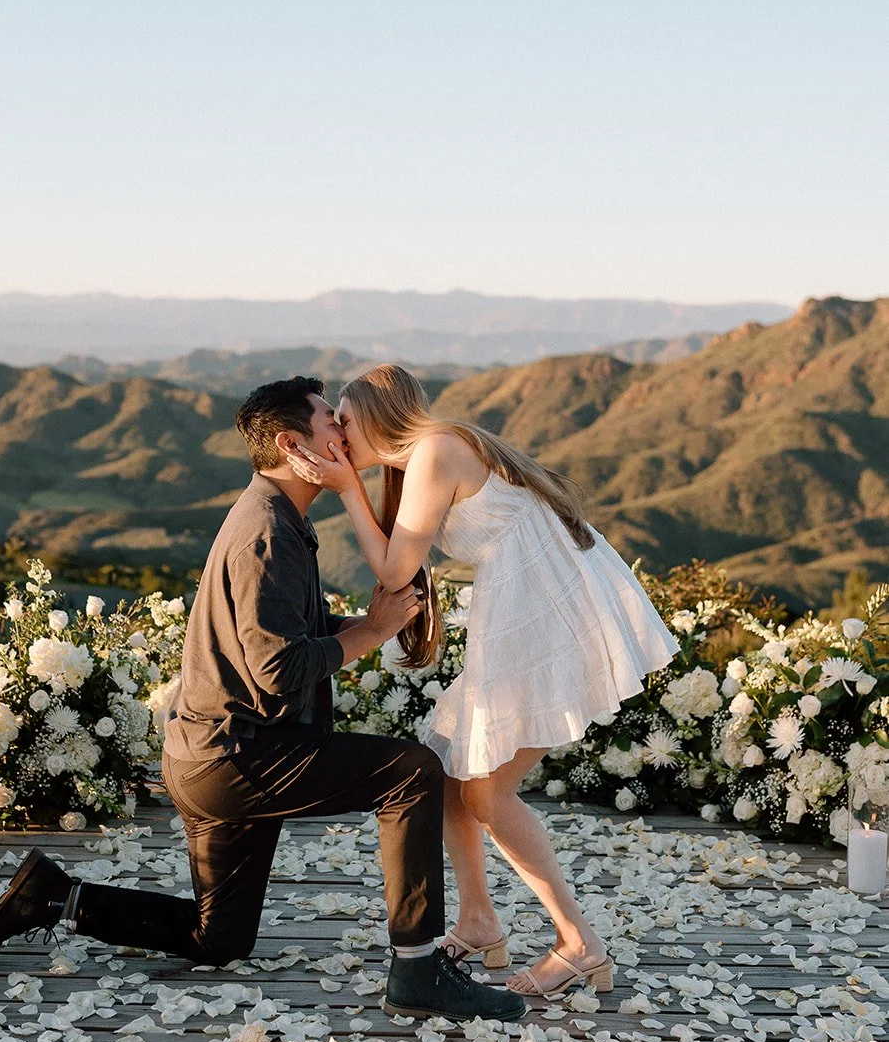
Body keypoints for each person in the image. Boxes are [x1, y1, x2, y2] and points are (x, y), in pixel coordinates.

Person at [0, 376, 524, 1025]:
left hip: (208, 755)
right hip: (237, 758)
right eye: (332, 423)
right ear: (293, 445)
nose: (346, 436)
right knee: (413, 773)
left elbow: (288, 637)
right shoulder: (268, 533)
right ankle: (417, 969)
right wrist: (373, 632)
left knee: (219, 939)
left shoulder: (277, 515)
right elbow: (277, 669)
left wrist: (371, 624)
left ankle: (53, 897)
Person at [284, 364, 678, 998]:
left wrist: (348, 490)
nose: (341, 435)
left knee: (489, 794)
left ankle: (579, 945)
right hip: (528, 607)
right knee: (449, 774)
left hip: (544, 616)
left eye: (347, 421)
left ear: (379, 418)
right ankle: (479, 921)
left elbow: (394, 570)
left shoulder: (435, 450)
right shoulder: (428, 454)